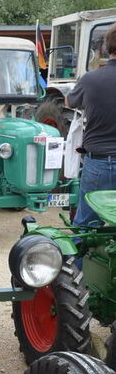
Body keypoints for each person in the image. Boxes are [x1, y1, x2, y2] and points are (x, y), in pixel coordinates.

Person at [66, 23, 116, 229]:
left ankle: (78, 262)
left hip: (99, 164)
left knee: (87, 224)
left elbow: (69, 102)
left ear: (107, 48)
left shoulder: (90, 79)